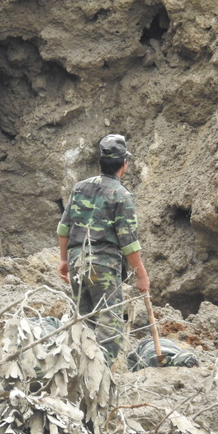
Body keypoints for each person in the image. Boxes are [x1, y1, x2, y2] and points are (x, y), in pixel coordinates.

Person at [57, 134, 150, 367]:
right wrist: (141, 275)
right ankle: (98, 375)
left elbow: (63, 228)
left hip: (77, 261)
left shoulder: (79, 188)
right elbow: (128, 242)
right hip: (104, 266)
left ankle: (76, 372)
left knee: (83, 322)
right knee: (110, 325)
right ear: (124, 164)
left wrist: (63, 260)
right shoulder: (122, 195)